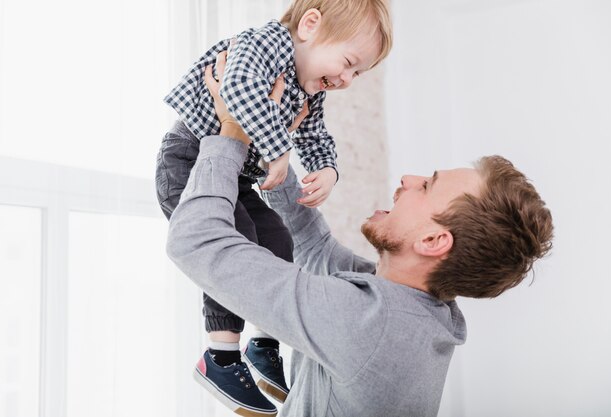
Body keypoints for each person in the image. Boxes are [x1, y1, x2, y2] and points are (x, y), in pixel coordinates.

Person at [165, 62, 554, 417]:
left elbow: (196, 240)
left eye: (427, 185)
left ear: (434, 241)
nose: (408, 179)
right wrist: (272, 143)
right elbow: (313, 244)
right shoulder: (415, 308)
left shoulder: (370, 323)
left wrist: (230, 132)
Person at [155, 0, 392, 414]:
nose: (347, 80)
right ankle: (221, 357)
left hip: (238, 174)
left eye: (357, 73)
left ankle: (263, 343)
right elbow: (237, 88)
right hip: (191, 159)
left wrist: (327, 170)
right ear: (311, 25)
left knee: (279, 240)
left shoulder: (310, 85)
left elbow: (314, 132)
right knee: (238, 243)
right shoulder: (262, 44)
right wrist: (279, 148)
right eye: (349, 63)